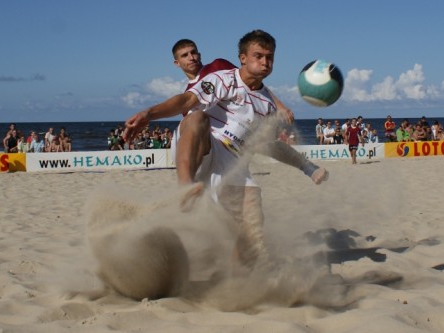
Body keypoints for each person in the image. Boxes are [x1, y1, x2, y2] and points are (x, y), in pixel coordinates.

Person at [123, 30, 328, 270]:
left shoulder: (264, 104)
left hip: (232, 160)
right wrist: (149, 114)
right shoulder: (222, 78)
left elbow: (267, 145)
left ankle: (234, 279)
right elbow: (186, 101)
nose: (265, 62)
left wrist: (306, 166)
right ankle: (184, 188)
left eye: (269, 57)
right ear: (243, 58)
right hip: (205, 143)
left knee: (251, 228)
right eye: (258, 56)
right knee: (197, 116)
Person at [170, 38, 325, 184]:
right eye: (185, 55)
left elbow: (252, 82)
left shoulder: (217, 66)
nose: (191, 57)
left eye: (193, 52)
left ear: (199, 54)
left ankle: (308, 167)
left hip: (244, 115)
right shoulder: (188, 94)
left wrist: (280, 105)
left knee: (266, 143)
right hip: (219, 143)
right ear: (177, 63)